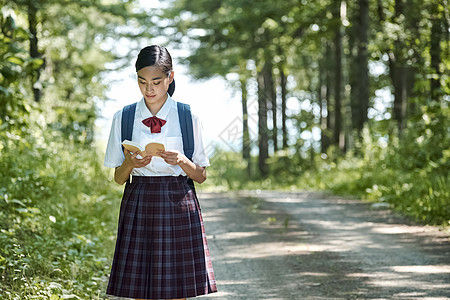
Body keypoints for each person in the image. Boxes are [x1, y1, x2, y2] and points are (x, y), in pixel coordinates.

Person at [103, 45, 217, 300]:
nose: (149, 89)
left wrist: (181, 161)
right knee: (140, 290)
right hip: (138, 200)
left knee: (178, 291)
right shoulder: (123, 117)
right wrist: (130, 164)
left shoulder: (188, 116)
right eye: (142, 82)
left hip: (179, 201)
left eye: (156, 81)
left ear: (170, 78)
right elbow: (118, 178)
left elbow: (200, 175)